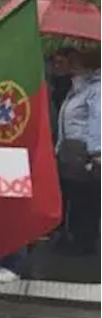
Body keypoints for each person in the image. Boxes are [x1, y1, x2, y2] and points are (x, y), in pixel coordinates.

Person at [51, 48, 102, 255]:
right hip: (70, 153)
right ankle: (72, 236)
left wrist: (96, 151)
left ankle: (85, 241)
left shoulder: (96, 89)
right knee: (72, 195)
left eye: (75, 62)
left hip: (84, 154)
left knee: (85, 199)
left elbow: (97, 120)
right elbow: (66, 121)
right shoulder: (77, 89)